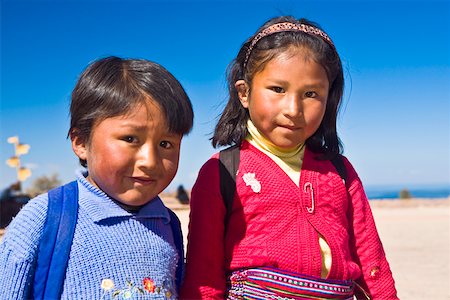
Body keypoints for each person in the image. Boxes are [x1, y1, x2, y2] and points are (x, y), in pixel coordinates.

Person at [180, 16, 398, 299]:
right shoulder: (221, 173)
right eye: (278, 89)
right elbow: (203, 276)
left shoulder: (339, 171)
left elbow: (371, 259)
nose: (293, 109)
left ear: (329, 98)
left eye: (310, 93)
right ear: (245, 92)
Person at [0, 56, 194, 299]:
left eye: (166, 143)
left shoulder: (168, 223)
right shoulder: (44, 218)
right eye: (130, 139)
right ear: (81, 142)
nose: (150, 161)